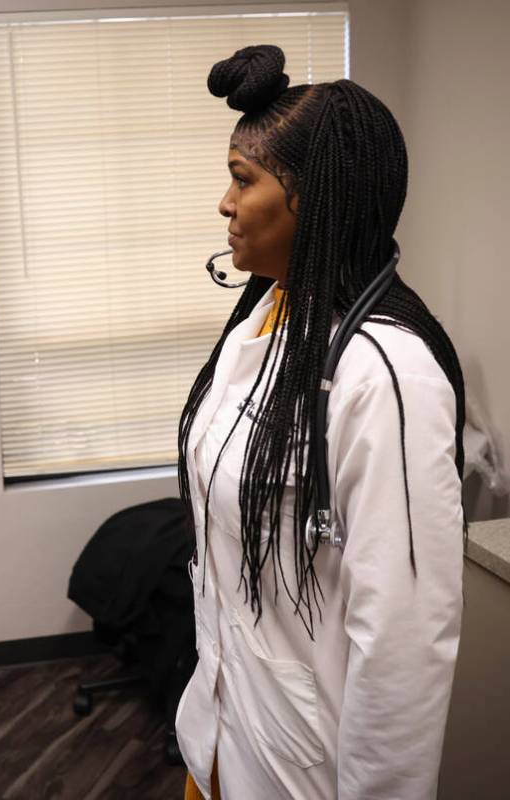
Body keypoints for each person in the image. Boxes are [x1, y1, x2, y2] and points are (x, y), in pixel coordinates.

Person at [174, 46, 466, 799]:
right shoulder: (265, 318)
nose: (223, 203)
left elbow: (402, 647)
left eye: (243, 180)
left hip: (301, 767)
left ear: (315, 197)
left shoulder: (384, 373)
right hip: (218, 730)